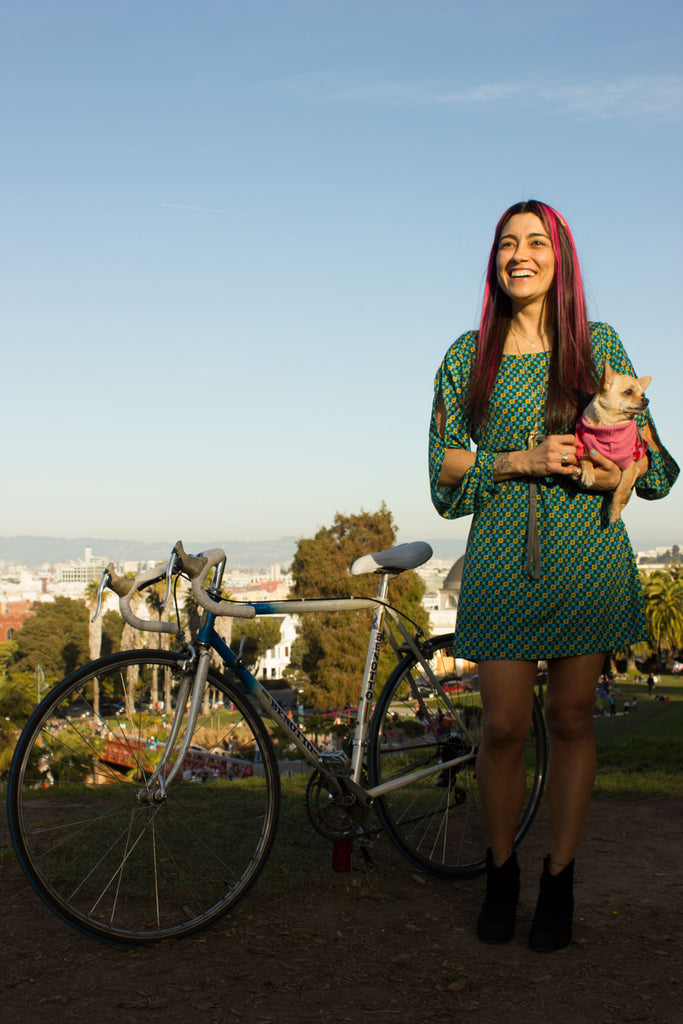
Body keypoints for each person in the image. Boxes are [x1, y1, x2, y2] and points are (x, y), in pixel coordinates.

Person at [429, 199, 678, 952]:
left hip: (588, 560)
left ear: (558, 258)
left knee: (570, 721)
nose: (520, 254)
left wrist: (620, 474)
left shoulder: (595, 345)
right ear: (494, 262)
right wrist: (520, 458)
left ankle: (558, 880)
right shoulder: (463, 357)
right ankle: (500, 871)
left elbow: (660, 466)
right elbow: (443, 479)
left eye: (535, 242)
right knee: (502, 726)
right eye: (507, 243)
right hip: (501, 561)